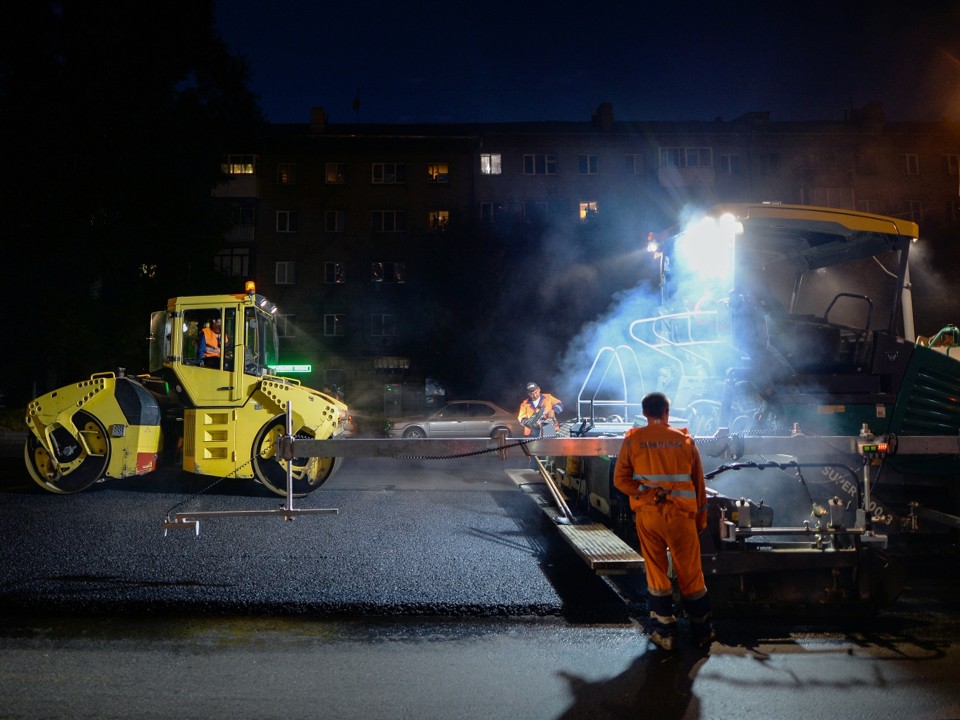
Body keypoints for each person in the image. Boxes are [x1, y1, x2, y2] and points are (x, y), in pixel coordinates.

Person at [613, 391, 714, 651]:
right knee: (691, 573)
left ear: (645, 414)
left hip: (649, 515)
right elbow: (699, 485)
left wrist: (645, 492)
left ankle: (665, 633)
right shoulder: (684, 441)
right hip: (681, 516)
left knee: (657, 571)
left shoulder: (633, 440)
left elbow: (620, 480)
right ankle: (702, 632)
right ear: (667, 412)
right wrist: (701, 520)